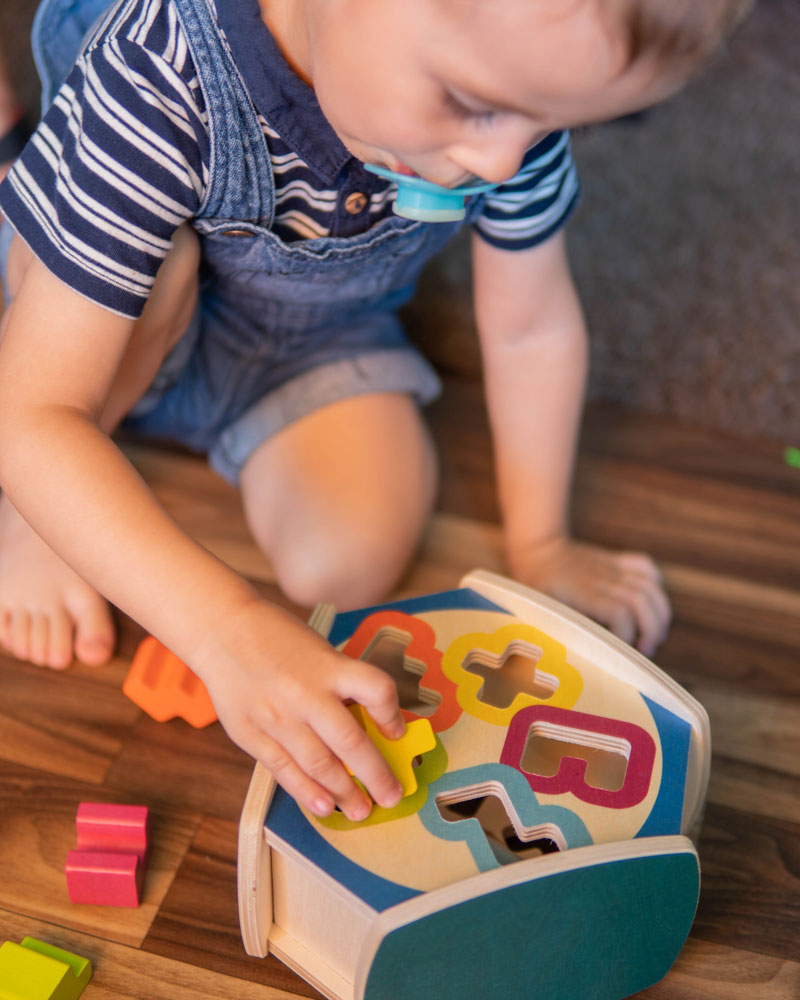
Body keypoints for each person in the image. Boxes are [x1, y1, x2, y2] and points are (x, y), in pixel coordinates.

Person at [0, 0, 749, 821]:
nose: (499, 165)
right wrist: (226, 634)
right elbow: (31, 412)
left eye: (550, 123)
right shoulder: (161, 65)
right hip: (94, 322)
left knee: (346, 563)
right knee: (142, 294)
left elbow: (530, 328)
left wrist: (542, 545)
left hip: (300, 342)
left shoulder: (517, 110)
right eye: (472, 103)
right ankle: (32, 516)